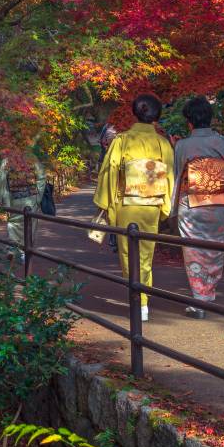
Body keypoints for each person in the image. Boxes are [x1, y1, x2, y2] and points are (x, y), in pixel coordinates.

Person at [94, 94, 175, 322]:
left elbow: (109, 171)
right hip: (151, 205)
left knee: (129, 253)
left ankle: (138, 302)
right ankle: (143, 302)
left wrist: (106, 203)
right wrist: (165, 205)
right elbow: (169, 174)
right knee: (146, 254)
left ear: (135, 113)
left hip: (126, 204)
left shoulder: (122, 140)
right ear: (157, 116)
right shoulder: (162, 142)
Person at [173, 96, 224, 318]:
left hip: (193, 204)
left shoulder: (183, 145)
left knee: (194, 251)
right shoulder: (222, 142)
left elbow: (175, 174)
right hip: (219, 203)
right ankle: (207, 295)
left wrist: (170, 208)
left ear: (189, 121)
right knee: (215, 250)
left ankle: (200, 300)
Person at [0, 151, 47, 265]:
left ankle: (14, 249)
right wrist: (38, 196)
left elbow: (2, 179)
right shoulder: (32, 157)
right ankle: (24, 252)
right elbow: (41, 177)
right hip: (30, 197)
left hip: (13, 197)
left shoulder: (7, 159)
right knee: (29, 223)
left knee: (13, 223)